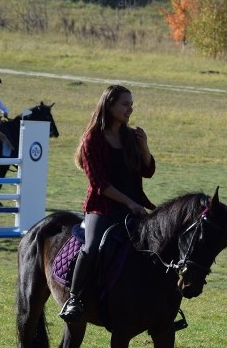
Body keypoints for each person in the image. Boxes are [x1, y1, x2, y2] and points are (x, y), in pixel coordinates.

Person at [59, 84, 157, 321]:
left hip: (132, 207)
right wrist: (129, 203)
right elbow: (99, 184)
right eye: (125, 104)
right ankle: (74, 298)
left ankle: (159, 305)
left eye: (131, 104)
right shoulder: (92, 139)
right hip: (101, 207)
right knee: (91, 248)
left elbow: (148, 171)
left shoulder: (130, 137)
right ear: (109, 104)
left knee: (157, 247)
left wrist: (144, 148)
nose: (130, 109)